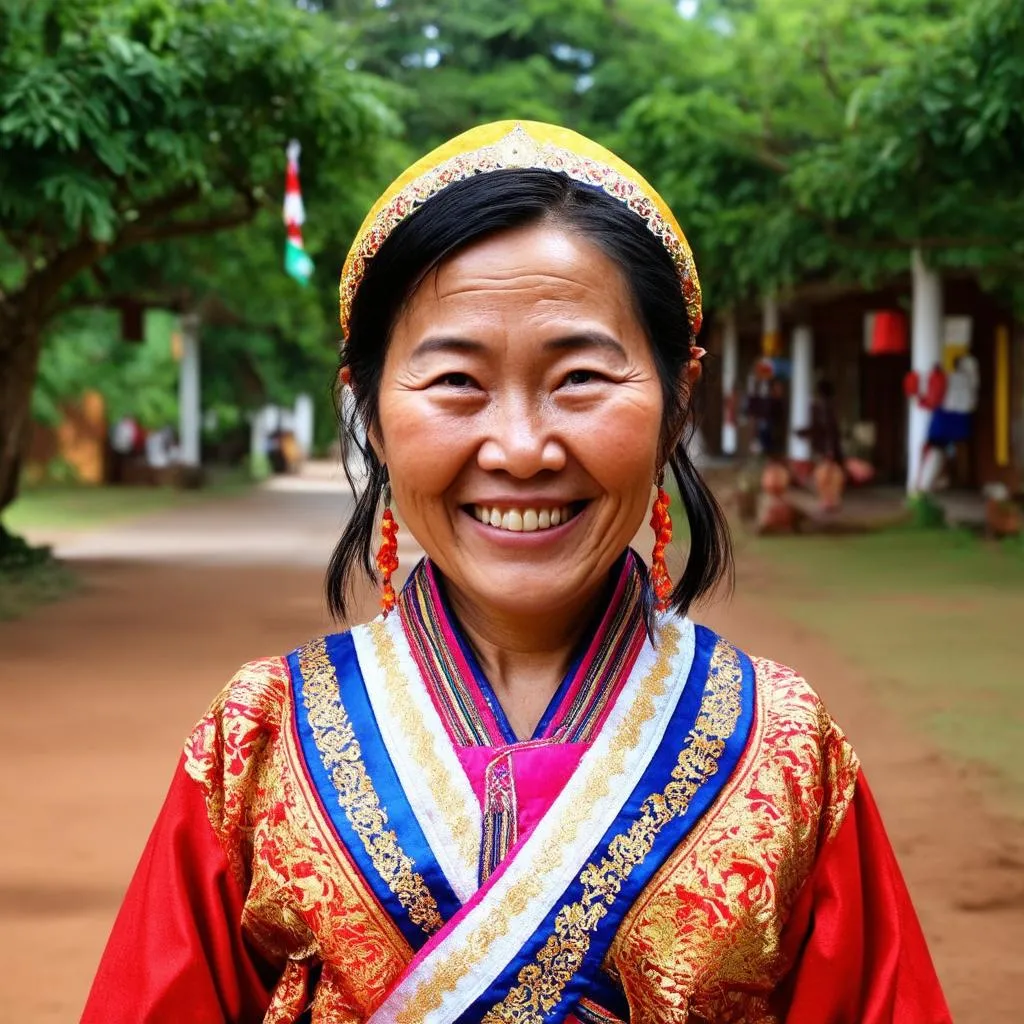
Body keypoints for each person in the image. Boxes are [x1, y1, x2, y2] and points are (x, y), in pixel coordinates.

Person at [83, 121, 950, 1023]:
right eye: (456, 380)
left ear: (678, 401)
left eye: (579, 377)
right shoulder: (257, 744)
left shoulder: (786, 753)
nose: (522, 450)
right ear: (372, 413)